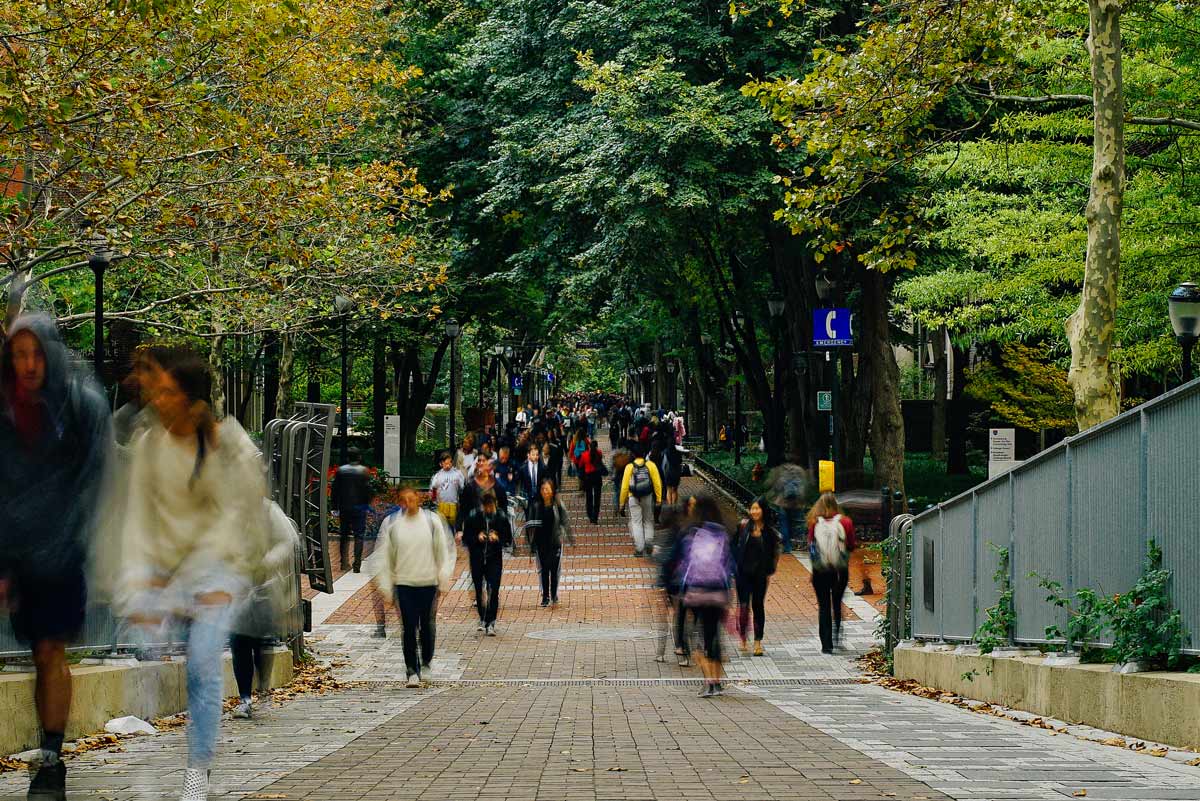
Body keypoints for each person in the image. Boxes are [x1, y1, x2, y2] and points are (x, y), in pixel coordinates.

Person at [120, 352, 268, 801]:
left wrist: (223, 583)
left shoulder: (230, 446)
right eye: (155, 392)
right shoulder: (149, 446)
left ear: (190, 399)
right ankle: (141, 771)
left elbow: (243, 518)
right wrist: (139, 581)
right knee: (143, 647)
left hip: (215, 568)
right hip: (164, 566)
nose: (158, 401)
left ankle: (197, 770)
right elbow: (137, 519)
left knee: (203, 663)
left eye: (167, 392)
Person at [0, 315, 111, 801]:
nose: (27, 365)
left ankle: (51, 755)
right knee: (34, 652)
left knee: (50, 651)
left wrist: (71, 542)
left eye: (35, 354)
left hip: (63, 550)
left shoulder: (81, 406)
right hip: (13, 549)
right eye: (18, 354)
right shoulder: (2, 406)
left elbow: (94, 480)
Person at [368, 486, 456, 686]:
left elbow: (443, 551)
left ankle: (426, 662)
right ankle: (411, 669)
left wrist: (443, 578)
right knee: (408, 627)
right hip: (404, 583)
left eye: (411, 499)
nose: (408, 503)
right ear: (400, 502)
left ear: (418, 499)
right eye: (404, 500)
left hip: (428, 582)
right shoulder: (392, 524)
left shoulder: (432, 522)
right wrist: (386, 586)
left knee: (426, 626)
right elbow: (384, 557)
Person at [230, 501, 300, 719]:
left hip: (265, 586)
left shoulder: (268, 510)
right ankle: (245, 698)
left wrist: (268, 561)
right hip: (236, 587)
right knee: (238, 642)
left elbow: (288, 541)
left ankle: (262, 686)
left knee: (259, 642)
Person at [674, 495, 734, 697]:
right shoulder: (723, 534)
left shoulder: (691, 534)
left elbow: (684, 563)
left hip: (697, 591)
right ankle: (717, 681)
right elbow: (729, 564)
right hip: (718, 591)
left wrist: (683, 589)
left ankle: (708, 681)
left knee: (700, 634)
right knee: (714, 634)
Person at [806, 492, 856, 654]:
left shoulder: (814, 522)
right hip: (839, 570)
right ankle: (837, 635)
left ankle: (826, 645)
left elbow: (811, 547)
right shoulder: (845, 522)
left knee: (824, 606)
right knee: (836, 602)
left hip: (820, 571)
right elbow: (851, 545)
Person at [457, 491, 512, 635]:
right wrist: (477, 537)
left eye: (491, 507)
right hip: (477, 558)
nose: (489, 510)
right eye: (486, 507)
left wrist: (498, 537)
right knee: (479, 590)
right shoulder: (473, 517)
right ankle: (483, 617)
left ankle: (491, 621)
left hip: (494, 558)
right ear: (482, 506)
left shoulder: (501, 517)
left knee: (493, 589)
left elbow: (508, 539)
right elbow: (466, 539)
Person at [734, 498, 780, 656]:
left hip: (760, 575)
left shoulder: (770, 532)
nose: (754, 511)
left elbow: (775, 553)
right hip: (742, 575)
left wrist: (769, 571)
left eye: (757, 508)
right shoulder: (743, 527)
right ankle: (742, 637)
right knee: (743, 606)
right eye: (752, 508)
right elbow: (733, 547)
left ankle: (757, 641)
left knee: (758, 606)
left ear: (763, 511)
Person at [526, 478, 574, 606]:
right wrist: (531, 546)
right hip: (541, 543)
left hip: (555, 542)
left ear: (552, 491)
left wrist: (570, 539)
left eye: (547, 489)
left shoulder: (557, 505)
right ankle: (545, 597)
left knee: (554, 569)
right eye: (543, 489)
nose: (545, 492)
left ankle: (554, 594)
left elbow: (565, 521)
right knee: (544, 569)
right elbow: (530, 527)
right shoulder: (536, 505)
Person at [332, 447, 373, 572]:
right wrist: (367, 504)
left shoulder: (341, 471)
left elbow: (335, 490)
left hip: (344, 507)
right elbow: (368, 490)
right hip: (359, 508)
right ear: (359, 457)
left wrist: (334, 507)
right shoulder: (364, 471)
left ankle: (344, 563)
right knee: (359, 536)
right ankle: (357, 564)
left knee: (344, 535)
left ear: (348, 457)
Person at [619, 445, 662, 557]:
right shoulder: (651, 465)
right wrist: (658, 499)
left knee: (636, 522)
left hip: (633, 497)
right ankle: (648, 542)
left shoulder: (629, 467)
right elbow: (657, 483)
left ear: (633, 455)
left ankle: (639, 549)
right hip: (647, 496)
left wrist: (622, 503)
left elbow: (624, 487)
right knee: (648, 520)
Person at [767, 459, 808, 554]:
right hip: (797, 503)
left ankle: (787, 547)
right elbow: (804, 486)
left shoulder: (781, 470)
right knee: (797, 523)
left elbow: (776, 486)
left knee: (784, 524)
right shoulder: (800, 470)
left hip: (783, 502)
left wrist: (772, 495)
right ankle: (800, 543)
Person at [457, 457, 508, 532]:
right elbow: (463, 508)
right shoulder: (470, 487)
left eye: (484, 461)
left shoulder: (498, 487)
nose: (481, 464)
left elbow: (503, 508)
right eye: (479, 461)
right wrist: (459, 529)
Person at [430, 451, 466, 528]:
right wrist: (434, 502)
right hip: (441, 505)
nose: (448, 465)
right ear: (441, 463)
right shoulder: (437, 475)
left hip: (453, 504)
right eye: (445, 463)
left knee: (453, 527)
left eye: (449, 463)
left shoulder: (458, 474)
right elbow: (433, 489)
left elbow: (462, 488)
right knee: (442, 527)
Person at [575, 438, 607, 524]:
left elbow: (581, 466)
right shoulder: (599, 453)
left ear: (589, 446)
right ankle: (595, 517)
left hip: (588, 477)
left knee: (589, 497)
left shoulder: (584, 455)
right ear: (596, 446)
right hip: (597, 476)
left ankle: (590, 515)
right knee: (597, 498)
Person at [610, 443, 632, 519]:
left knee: (616, 492)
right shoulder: (627, 453)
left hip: (616, 476)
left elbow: (611, 466)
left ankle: (616, 507)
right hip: (624, 475)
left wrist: (611, 475)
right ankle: (622, 508)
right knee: (624, 492)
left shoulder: (614, 454)